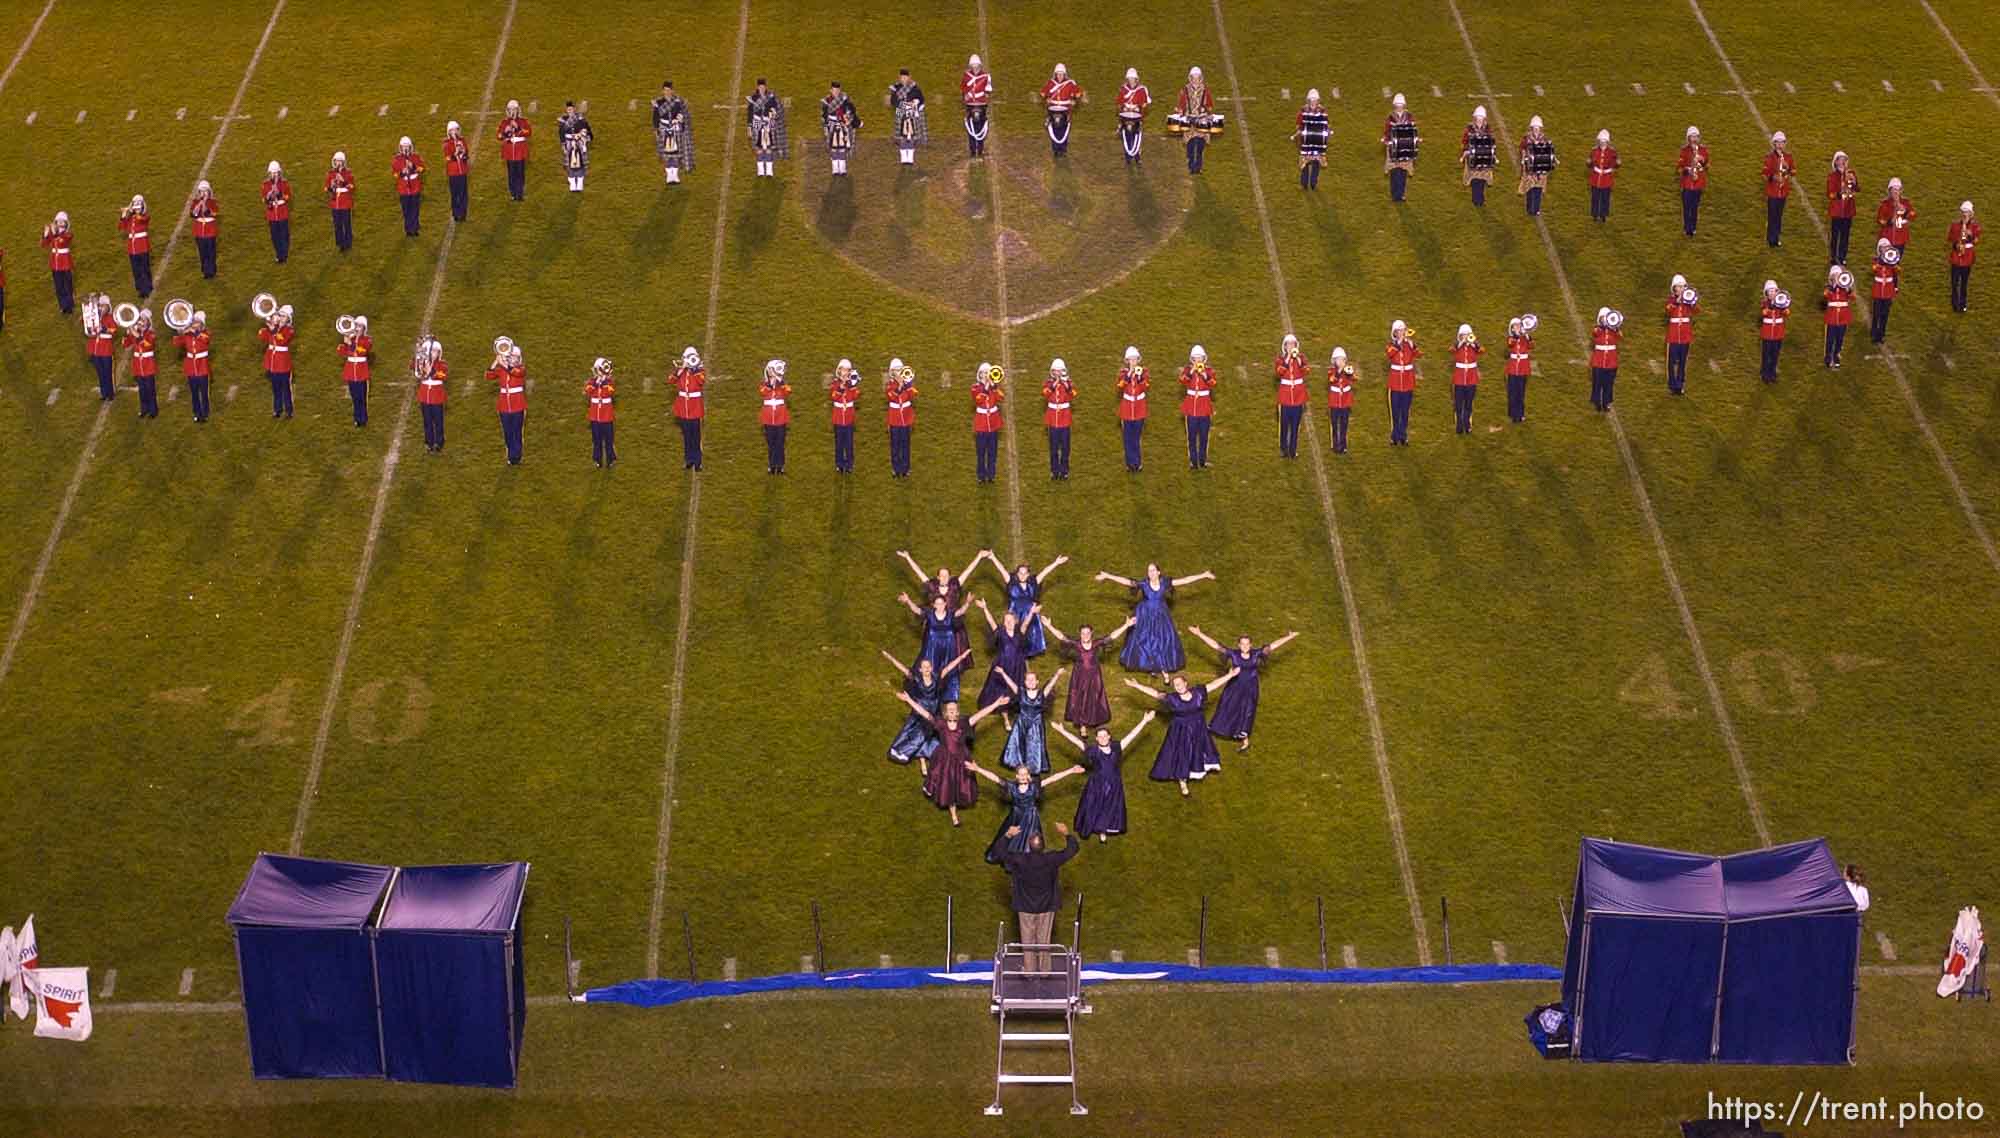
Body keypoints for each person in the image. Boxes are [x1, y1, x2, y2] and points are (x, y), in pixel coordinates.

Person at [1125, 668, 1237, 796]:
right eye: (1175, 685)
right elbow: (1155, 693)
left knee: (1199, 748)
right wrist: (1137, 685)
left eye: (1179, 684)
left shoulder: (1198, 693)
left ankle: (1199, 766)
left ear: (1186, 683)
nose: (1177, 687)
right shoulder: (1172, 698)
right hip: (1181, 730)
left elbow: (1214, 684)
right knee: (1183, 752)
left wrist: (1230, 675)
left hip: (1198, 727)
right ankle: (1182, 780)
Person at [992, 819, 1081, 975]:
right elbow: (1072, 849)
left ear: (1029, 846)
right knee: (1044, 940)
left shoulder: (1020, 860)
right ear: (1043, 846)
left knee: (1027, 940)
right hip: (1046, 906)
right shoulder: (1051, 859)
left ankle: (1030, 970)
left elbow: (999, 852)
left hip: (1025, 906)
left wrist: (1008, 835)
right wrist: (1066, 833)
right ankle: (1045, 970)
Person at [1188, 626, 1298, 751]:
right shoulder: (1233, 654)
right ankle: (1217, 729)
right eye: (1242, 644)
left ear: (1251, 645)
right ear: (1239, 645)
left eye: (1247, 644)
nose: (1245, 646)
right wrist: (1199, 633)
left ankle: (1244, 739)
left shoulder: (1256, 654)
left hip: (1250, 688)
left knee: (1247, 711)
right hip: (1234, 687)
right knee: (1227, 707)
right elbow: (1215, 645)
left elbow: (1273, 646)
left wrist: (1289, 637)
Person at [1052, 712, 1154, 841]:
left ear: (1109, 736)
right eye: (1100, 736)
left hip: (1114, 783)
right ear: (1096, 739)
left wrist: (1144, 721)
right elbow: (1076, 742)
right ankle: (1098, 827)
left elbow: (1132, 736)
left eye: (1105, 735)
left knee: (1110, 805)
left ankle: (1104, 829)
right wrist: (1062, 731)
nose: (1103, 738)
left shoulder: (1117, 747)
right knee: (1095, 804)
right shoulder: (1092, 750)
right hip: (1097, 783)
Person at [1098, 563, 1213, 671]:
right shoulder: (1144, 584)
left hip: (1161, 614)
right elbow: (1127, 582)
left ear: (1158, 572)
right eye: (1149, 571)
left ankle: (1159, 663)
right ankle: (1146, 663)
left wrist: (1203, 575)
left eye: (1153, 570)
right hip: (1145, 613)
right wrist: (1108, 576)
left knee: (1163, 638)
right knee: (1142, 638)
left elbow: (1184, 580)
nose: (1150, 573)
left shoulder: (1165, 582)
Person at [915, 694, 1008, 826]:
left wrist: (996, 704)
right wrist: (909, 700)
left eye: (954, 709)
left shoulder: (964, 723)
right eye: (949, 709)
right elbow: (925, 714)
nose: (952, 711)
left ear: (958, 712)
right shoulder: (940, 723)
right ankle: (953, 814)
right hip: (944, 759)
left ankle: (958, 800)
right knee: (947, 783)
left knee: (960, 781)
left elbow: (981, 714)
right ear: (946, 713)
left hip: (961, 758)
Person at [894, 548, 984, 672]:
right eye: (941, 575)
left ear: (949, 576)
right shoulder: (932, 587)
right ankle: (929, 672)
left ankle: (951, 674)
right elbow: (919, 573)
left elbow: (968, 571)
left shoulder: (954, 585)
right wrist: (908, 558)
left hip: (952, 622)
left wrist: (978, 556)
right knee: (930, 652)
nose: (944, 577)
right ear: (937, 577)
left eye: (946, 575)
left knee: (955, 652)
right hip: (935, 624)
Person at [883, 648, 972, 770]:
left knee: (927, 734)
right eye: (924, 667)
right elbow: (903, 669)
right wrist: (890, 658)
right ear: (920, 669)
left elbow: (948, 668)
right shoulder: (917, 679)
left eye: (928, 667)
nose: (926, 669)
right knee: (913, 731)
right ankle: (902, 750)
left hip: (933, 710)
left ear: (931, 668)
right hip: (919, 708)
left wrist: (961, 657)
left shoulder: (936, 678)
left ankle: (915, 755)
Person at [1043, 616, 1133, 728]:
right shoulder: (1076, 644)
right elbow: (1061, 637)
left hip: (1094, 675)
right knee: (1079, 696)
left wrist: (1126, 625)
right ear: (1080, 634)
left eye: (1087, 633)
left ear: (1091, 634)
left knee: (1094, 695)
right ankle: (1082, 724)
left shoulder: (1096, 644)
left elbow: (1111, 636)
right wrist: (1049, 626)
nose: (1085, 635)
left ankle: (1093, 718)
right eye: (1083, 633)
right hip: (1079, 675)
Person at [894, 587, 975, 703]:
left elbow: (961, 611)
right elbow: (917, 610)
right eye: (937, 603)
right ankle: (928, 690)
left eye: (942, 603)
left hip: (948, 647)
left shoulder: (951, 614)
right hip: (932, 646)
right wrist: (908, 601)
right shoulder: (929, 614)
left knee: (949, 669)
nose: (940, 605)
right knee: (930, 666)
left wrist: (967, 603)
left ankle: (949, 695)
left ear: (945, 604)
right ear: (934, 605)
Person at [980, 550, 1067, 656]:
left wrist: (1056, 563)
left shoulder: (1033, 582)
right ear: (1017, 574)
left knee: (1030, 634)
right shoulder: (1011, 582)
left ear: (1028, 574)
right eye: (1020, 573)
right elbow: (1001, 569)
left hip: (1030, 612)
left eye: (1025, 573)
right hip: (1015, 613)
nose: (1022, 575)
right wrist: (993, 557)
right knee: (1013, 635)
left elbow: (1045, 572)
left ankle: (1027, 652)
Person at [993, 666, 1064, 776]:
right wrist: (1003, 673)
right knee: (1018, 743)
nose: (1030, 681)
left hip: (1036, 724)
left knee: (1033, 745)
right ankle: (1017, 763)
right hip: (1021, 723)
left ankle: (1033, 767)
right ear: (1024, 682)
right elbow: (1011, 684)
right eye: (1028, 680)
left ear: (1037, 682)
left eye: (1033, 679)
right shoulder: (1020, 692)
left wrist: (1057, 675)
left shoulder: (1042, 694)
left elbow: (1050, 685)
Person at [974, 598, 1035, 712]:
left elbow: (1026, 623)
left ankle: (1015, 706)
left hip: (1017, 665)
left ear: (1015, 621)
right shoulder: (1000, 632)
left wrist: (1031, 612)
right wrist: (985, 608)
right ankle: (1001, 708)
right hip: (1003, 663)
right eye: (1006, 620)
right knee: (999, 687)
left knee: (1016, 686)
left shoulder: (1019, 632)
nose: (1008, 622)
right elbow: (991, 622)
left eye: (1010, 620)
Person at [488, 340, 526, 464]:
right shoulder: (502, 369)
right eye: (511, 356)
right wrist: (495, 361)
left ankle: (517, 456)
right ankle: (510, 456)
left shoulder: (521, 369)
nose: (512, 359)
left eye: (515, 357)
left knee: (517, 431)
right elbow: (488, 375)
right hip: (504, 406)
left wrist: (503, 364)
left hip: (518, 405)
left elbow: (515, 373)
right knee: (507, 432)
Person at [1272, 334, 1310, 458]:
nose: (1290, 346)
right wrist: (1287, 360)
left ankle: (1293, 450)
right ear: (1284, 346)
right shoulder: (1280, 359)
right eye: (1288, 344)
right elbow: (1279, 373)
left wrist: (1299, 361)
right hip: (1285, 397)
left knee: (1295, 425)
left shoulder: (1301, 357)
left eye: (1293, 344)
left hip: (1298, 396)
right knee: (1284, 425)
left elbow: (1307, 371)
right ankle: (1284, 449)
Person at [1175, 66, 1218, 175]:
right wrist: (1180, 111)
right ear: (1190, 78)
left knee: (1199, 145)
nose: (1195, 80)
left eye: (1197, 77)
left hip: (1201, 120)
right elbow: (1181, 104)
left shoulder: (1205, 91)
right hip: (1189, 119)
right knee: (1190, 144)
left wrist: (1208, 112)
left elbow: (1210, 105)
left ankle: (1197, 167)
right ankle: (1190, 164)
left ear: (1200, 78)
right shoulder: (1184, 90)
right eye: (1193, 77)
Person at [1180, 345, 1216, 469]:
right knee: (1191, 436)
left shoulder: (1209, 370)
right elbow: (1183, 380)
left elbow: (1213, 383)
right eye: (1195, 358)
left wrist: (1204, 375)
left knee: (1204, 436)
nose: (1197, 360)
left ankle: (1202, 460)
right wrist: (1192, 371)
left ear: (1203, 358)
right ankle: (1193, 461)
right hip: (1191, 407)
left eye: (1199, 358)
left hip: (1204, 407)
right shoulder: (1187, 370)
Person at [652, 81, 695, 184]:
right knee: (667, 154)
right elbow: (655, 117)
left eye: (669, 90)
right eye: (665, 90)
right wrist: (656, 129)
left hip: (675, 129)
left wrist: (683, 125)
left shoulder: (678, 102)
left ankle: (675, 175)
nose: (667, 92)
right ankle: (668, 176)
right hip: (664, 130)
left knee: (675, 154)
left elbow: (683, 114)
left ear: (672, 90)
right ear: (663, 91)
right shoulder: (659, 103)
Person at [173, 309, 212, 422]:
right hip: (191, 367)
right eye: (193, 322)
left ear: (202, 324)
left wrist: (194, 332)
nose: (194, 324)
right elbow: (176, 343)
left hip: (202, 366)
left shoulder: (206, 333)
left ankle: (205, 413)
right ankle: (196, 413)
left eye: (197, 322)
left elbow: (205, 340)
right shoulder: (187, 335)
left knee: (204, 392)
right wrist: (181, 332)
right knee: (194, 392)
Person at [1384, 320, 1419, 445]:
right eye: (1399, 331)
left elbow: (1418, 354)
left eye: (1403, 330)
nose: (1402, 332)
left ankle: (1403, 436)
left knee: (1405, 411)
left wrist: (1411, 345)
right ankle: (1394, 436)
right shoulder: (1391, 345)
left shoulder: (1409, 344)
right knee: (1395, 411)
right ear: (1394, 333)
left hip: (1408, 382)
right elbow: (1390, 354)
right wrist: (1399, 344)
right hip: (1394, 383)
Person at [259, 304, 296, 418]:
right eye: (280, 315)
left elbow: (282, 340)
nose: (281, 318)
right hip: (273, 363)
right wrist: (270, 324)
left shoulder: (289, 330)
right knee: (276, 389)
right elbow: (262, 336)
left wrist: (273, 329)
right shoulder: (274, 328)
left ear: (289, 319)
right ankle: (277, 410)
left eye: (284, 317)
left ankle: (289, 411)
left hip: (283, 364)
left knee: (286, 389)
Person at [747, 78, 789, 178]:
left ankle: (769, 171)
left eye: (763, 87)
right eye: (760, 87)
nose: (761, 88)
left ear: (765, 87)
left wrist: (773, 112)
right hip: (757, 123)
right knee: (759, 148)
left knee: (769, 147)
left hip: (767, 123)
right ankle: (760, 171)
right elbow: (750, 114)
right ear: (757, 87)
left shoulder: (771, 97)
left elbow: (775, 107)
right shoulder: (753, 98)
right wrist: (749, 128)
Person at [1381, 93, 1420, 201]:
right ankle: (1395, 194)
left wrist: (1415, 140)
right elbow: (1387, 131)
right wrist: (1386, 140)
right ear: (1394, 105)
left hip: (1406, 148)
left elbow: (1413, 129)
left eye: (1401, 105)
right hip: (1393, 148)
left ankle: (1401, 194)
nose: (1399, 107)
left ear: (1404, 105)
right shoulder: (1390, 117)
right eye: (1397, 105)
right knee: (1394, 172)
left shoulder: (1409, 116)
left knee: (1403, 172)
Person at [1038, 63, 1082, 159]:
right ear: (1055, 74)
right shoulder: (1050, 83)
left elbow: (1078, 94)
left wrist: (1074, 100)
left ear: (1065, 74)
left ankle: (1063, 149)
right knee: (1054, 129)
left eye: (1061, 74)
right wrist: (1046, 99)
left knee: (1063, 129)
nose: (1060, 76)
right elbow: (1042, 93)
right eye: (1058, 74)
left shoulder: (1070, 83)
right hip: (1053, 110)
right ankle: (1055, 149)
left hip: (1065, 110)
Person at [672, 346, 705, 471]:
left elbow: (701, 381)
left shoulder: (699, 370)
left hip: (695, 408)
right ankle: (688, 460)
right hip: (683, 409)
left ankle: (698, 461)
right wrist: (681, 369)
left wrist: (693, 368)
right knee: (686, 436)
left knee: (696, 436)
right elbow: (671, 380)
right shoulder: (681, 370)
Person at [1664, 275, 1699, 396]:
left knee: (1683, 362)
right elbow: (1668, 310)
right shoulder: (1671, 300)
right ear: (1674, 288)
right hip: (1673, 336)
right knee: (1671, 362)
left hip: (1685, 336)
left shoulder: (1688, 301)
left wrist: (1692, 302)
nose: (1680, 289)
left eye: (1682, 286)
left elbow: (1697, 311)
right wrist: (1676, 301)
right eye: (1678, 287)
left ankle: (1680, 385)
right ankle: (1672, 385)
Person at [1116, 346, 1148, 471]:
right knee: (1127, 438)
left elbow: (1146, 386)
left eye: (1135, 359)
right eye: (1131, 360)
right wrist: (1129, 374)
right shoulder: (1123, 373)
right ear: (1127, 361)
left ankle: (1137, 463)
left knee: (1136, 437)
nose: (1133, 362)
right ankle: (1130, 464)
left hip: (1139, 408)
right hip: (1127, 409)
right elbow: (1120, 386)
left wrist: (1139, 377)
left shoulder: (1143, 372)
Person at [971, 361, 1004, 484]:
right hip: (981, 424)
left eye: (987, 373)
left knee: (992, 452)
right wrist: (986, 388)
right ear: (979, 375)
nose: (985, 375)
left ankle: (991, 474)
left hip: (993, 423)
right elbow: (978, 400)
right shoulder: (975, 387)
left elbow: (1001, 397)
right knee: (981, 452)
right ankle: (981, 475)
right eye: (983, 373)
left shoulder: (994, 388)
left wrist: (994, 386)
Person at [123, 308, 159, 418]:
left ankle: (153, 410)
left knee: (150, 389)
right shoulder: (135, 332)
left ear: (148, 322)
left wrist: (137, 335)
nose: (141, 322)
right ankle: (144, 409)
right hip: (138, 365)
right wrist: (127, 334)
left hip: (148, 365)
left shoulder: (151, 334)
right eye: (140, 320)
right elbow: (126, 345)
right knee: (142, 390)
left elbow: (148, 345)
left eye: (144, 320)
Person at [884, 358, 918, 478]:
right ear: (892, 372)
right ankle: (895, 467)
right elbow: (892, 397)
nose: (898, 372)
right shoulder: (889, 385)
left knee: (905, 445)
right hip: (894, 419)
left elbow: (912, 394)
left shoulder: (909, 385)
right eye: (896, 370)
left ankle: (905, 468)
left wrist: (906, 385)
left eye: (900, 370)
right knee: (895, 445)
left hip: (906, 419)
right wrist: (900, 387)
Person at [1517, 115, 1556, 217]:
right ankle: (1530, 208)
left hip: (1541, 168)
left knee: (1538, 189)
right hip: (1530, 169)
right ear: (1531, 128)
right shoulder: (1526, 139)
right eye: (1534, 128)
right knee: (1530, 188)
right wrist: (1524, 157)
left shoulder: (1545, 139)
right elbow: (1521, 149)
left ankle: (1537, 209)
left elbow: (1549, 150)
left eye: (1538, 128)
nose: (1536, 130)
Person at [1042, 359, 1074, 479]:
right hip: (1053, 419)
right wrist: (1055, 384)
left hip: (1064, 418)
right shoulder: (1049, 383)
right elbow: (1045, 393)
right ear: (1052, 372)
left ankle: (1064, 470)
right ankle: (1054, 470)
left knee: (1065, 447)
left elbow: (1072, 394)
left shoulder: (1068, 382)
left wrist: (1065, 384)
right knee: (1054, 447)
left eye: (1060, 371)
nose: (1058, 373)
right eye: (1056, 371)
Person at [819, 82, 861, 177]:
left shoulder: (845, 99)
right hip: (832, 125)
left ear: (840, 90)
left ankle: (842, 169)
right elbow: (824, 115)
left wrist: (848, 118)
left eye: (838, 90)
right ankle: (835, 169)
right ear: (831, 90)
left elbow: (852, 110)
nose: (836, 92)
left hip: (843, 125)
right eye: (834, 90)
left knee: (842, 147)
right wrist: (826, 125)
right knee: (833, 147)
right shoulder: (827, 101)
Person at [1761, 131, 1795, 247]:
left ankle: (1776, 237)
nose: (1780, 145)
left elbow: (1794, 172)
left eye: (1782, 142)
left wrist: (1788, 168)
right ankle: (1771, 239)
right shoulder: (1770, 157)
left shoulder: (1788, 157)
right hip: (1772, 192)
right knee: (1772, 216)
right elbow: (1765, 174)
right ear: (1774, 144)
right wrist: (1774, 177)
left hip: (1783, 191)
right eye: (1778, 142)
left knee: (1779, 216)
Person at [338, 315, 372, 427]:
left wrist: (350, 345)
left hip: (362, 373)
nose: (357, 328)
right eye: (356, 325)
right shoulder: (350, 339)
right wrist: (346, 342)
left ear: (364, 328)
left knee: (362, 397)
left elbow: (362, 351)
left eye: (360, 326)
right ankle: (357, 419)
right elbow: (341, 351)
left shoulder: (367, 340)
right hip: (351, 373)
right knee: (354, 397)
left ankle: (363, 419)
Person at [415, 336, 448, 452]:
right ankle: (429, 441)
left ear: (439, 352)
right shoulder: (423, 362)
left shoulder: (442, 364)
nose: (432, 353)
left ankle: (439, 442)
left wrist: (431, 370)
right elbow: (413, 367)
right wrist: (418, 357)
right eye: (431, 350)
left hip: (437, 396)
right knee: (427, 420)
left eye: (435, 351)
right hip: (425, 395)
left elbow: (443, 376)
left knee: (438, 421)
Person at [757, 358, 790, 473]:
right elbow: (762, 391)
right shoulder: (764, 384)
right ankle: (772, 465)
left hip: (781, 418)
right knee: (771, 443)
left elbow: (788, 391)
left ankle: (780, 465)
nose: (772, 373)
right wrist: (771, 384)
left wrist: (780, 383)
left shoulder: (782, 384)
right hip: (768, 419)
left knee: (780, 443)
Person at [1826, 151, 1859, 265]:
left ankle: (1842, 256)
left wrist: (1854, 181)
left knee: (1845, 235)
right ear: (1836, 162)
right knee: (1835, 235)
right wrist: (1841, 192)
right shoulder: (1833, 176)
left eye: (1844, 159)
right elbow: (1830, 193)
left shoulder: (1851, 173)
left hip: (1848, 210)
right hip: (1836, 210)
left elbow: (1857, 189)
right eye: (1840, 159)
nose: (1843, 161)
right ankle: (1833, 256)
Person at [888, 69, 926, 167]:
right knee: (902, 135)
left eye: (905, 77)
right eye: (902, 77)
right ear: (900, 78)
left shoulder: (914, 88)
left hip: (912, 112)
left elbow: (921, 99)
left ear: (909, 77)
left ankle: (911, 158)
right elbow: (893, 102)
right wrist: (905, 105)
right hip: (901, 112)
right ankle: (904, 157)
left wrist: (916, 102)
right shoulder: (896, 88)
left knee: (911, 135)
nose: (904, 79)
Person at [1460, 105, 1496, 207]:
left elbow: (1492, 142)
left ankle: (1481, 198)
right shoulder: (1469, 129)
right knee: (1475, 179)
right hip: (1473, 158)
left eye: (1481, 119)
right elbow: (1464, 142)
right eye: (1478, 119)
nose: (1479, 121)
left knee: (1482, 179)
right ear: (1475, 119)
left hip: (1484, 158)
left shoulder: (1488, 129)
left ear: (1484, 119)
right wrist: (1466, 151)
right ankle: (1476, 199)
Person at [82, 292, 116, 399]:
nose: (102, 308)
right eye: (100, 305)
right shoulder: (94, 317)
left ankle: (110, 393)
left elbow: (114, 331)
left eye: (104, 306)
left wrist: (104, 329)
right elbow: (86, 327)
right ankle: (103, 392)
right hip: (95, 350)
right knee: (100, 373)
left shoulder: (110, 318)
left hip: (106, 349)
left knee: (107, 372)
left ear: (108, 307)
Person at [1293, 89, 1329, 190]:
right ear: (1308, 100)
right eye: (1311, 100)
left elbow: (1325, 124)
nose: (1313, 102)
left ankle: (1313, 183)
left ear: (1318, 101)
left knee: (1316, 162)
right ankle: (1304, 183)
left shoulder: (1322, 110)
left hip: (1317, 141)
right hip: (1306, 140)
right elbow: (1298, 124)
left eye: (1315, 100)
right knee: (1305, 161)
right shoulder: (1303, 110)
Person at [118, 195, 153, 298]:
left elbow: (142, 220)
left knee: (144, 268)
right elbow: (121, 227)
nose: (137, 208)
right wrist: (124, 215)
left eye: (139, 206)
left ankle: (146, 288)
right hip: (132, 249)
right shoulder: (130, 218)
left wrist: (133, 210)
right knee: (136, 270)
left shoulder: (145, 216)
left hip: (142, 247)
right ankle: (140, 287)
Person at [830, 357, 860, 473]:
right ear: (839, 371)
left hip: (849, 418)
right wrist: (841, 387)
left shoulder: (852, 383)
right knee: (839, 443)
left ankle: (849, 464)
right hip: (838, 418)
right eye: (843, 370)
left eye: (848, 370)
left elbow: (855, 395)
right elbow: (833, 396)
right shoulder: (834, 383)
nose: (845, 373)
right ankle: (839, 464)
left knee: (849, 443)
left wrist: (851, 385)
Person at [1449, 324, 1481, 433]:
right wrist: (1461, 343)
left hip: (1471, 378)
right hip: (1459, 378)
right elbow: (1451, 351)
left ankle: (1467, 424)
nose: (1466, 336)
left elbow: (1482, 350)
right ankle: (1459, 425)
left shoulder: (1474, 345)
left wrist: (1473, 344)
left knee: (1468, 403)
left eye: (1468, 334)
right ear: (1460, 335)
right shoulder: (1457, 345)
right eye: (1464, 334)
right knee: (1458, 404)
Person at [1949, 200, 1980, 313]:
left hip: (1967, 258)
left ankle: (1962, 304)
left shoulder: (1975, 226)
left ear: (1971, 214)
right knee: (1954, 282)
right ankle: (1955, 304)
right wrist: (1956, 245)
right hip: (1956, 258)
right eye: (1963, 212)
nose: (1964, 214)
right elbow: (1950, 239)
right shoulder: (1955, 225)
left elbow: (1976, 241)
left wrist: (1970, 234)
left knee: (1964, 283)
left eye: (1967, 212)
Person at [586, 356, 617, 468]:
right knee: (596, 440)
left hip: (607, 416)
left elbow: (611, 392)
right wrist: (596, 383)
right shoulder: (592, 381)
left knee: (609, 440)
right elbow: (588, 391)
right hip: (595, 416)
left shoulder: (609, 382)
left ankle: (611, 459)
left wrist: (603, 382)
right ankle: (597, 459)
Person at [1677, 126, 1708, 237]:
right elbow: (1679, 168)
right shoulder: (1684, 151)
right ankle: (1687, 227)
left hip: (1698, 184)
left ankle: (1693, 228)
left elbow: (1707, 166)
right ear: (1688, 138)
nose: (1694, 139)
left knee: (1694, 207)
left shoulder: (1703, 150)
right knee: (1686, 207)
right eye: (1692, 136)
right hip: (1686, 184)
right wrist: (1688, 170)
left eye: (1696, 136)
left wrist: (1702, 161)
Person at [1822, 265, 1855, 369]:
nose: (1836, 277)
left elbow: (1853, 297)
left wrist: (1848, 289)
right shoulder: (1829, 288)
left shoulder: (1845, 288)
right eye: (1834, 275)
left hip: (1843, 318)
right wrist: (1833, 287)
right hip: (1831, 318)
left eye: (1838, 275)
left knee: (1840, 339)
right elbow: (1825, 295)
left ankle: (1836, 356)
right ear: (1831, 277)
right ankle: (1827, 358)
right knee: (1830, 340)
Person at [41, 211, 75, 313]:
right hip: (55, 264)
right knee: (58, 286)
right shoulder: (53, 233)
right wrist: (46, 235)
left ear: (66, 223)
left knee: (67, 285)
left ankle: (69, 305)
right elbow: (44, 244)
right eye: (58, 221)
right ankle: (63, 306)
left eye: (62, 221)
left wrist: (54, 233)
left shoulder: (68, 234)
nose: (60, 223)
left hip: (65, 263)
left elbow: (63, 240)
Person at [1116, 68, 1151, 166]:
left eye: (1133, 78)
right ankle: (1128, 157)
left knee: (1136, 136)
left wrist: (1139, 108)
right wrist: (1123, 108)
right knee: (1127, 136)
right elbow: (1119, 103)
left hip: (1137, 117)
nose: (1131, 81)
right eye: (1129, 78)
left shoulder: (1141, 90)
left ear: (1136, 79)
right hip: (1125, 117)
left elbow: (1144, 104)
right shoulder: (1123, 89)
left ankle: (1137, 157)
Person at [1589, 307, 1622, 411]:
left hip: (1611, 361)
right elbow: (1595, 334)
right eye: (1602, 317)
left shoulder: (1614, 330)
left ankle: (1606, 403)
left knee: (1609, 383)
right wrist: (1602, 326)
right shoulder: (1597, 329)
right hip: (1598, 361)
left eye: (1606, 317)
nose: (1604, 319)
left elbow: (1620, 337)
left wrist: (1615, 328)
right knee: (1597, 382)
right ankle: (1597, 403)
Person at [1869, 237, 1900, 344]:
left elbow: (1897, 273)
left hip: (1888, 292)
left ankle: (1881, 334)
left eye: (1886, 248)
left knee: (1884, 314)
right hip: (1878, 292)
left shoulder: (1892, 261)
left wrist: (1895, 287)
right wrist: (1882, 262)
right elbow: (1874, 269)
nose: (1885, 250)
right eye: (1882, 248)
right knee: (1876, 313)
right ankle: (1873, 333)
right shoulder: (1876, 260)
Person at [498, 99, 531, 200]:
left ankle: (519, 193)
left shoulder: (523, 121)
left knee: (520, 173)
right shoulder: (504, 122)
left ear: (518, 110)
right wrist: (505, 132)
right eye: (510, 109)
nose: (512, 111)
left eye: (514, 109)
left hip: (520, 151)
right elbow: (498, 136)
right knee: (511, 173)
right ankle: (513, 193)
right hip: (509, 152)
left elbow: (529, 132)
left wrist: (518, 128)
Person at [557, 100, 593, 192]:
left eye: (571, 109)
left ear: (574, 109)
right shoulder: (563, 120)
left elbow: (586, 128)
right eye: (568, 109)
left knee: (581, 162)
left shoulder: (580, 118)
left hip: (579, 143)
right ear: (566, 110)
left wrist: (582, 135)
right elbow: (561, 133)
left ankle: (580, 182)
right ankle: (572, 183)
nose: (570, 110)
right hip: (569, 143)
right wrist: (563, 144)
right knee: (570, 163)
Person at [392, 138, 425, 236]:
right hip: (403, 189)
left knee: (415, 209)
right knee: (406, 210)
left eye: (407, 146)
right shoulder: (397, 159)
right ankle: (408, 229)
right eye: (404, 146)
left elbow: (422, 168)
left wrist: (413, 166)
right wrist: (402, 172)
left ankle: (414, 228)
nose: (405, 148)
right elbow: (394, 174)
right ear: (400, 147)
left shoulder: (415, 157)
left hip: (415, 187)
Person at [1876, 177, 1915, 260]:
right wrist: (1890, 221)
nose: (1896, 192)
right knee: (1885, 260)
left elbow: (1913, 215)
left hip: (1901, 237)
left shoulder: (1905, 202)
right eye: (1894, 189)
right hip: (1887, 237)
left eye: (1898, 189)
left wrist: (1905, 212)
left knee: (1897, 259)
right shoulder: (1885, 204)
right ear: (1890, 191)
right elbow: (1880, 220)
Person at [324, 151, 356, 252]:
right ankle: (341, 243)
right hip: (335, 204)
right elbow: (326, 188)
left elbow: (352, 187)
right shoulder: (330, 174)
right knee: (337, 224)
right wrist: (331, 186)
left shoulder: (348, 173)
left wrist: (343, 181)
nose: (338, 163)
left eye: (340, 161)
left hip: (345, 203)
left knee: (346, 223)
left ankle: (348, 242)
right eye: (336, 161)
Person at [961, 54, 992, 158]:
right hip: (970, 105)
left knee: (980, 127)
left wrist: (983, 96)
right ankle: (972, 150)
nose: (975, 68)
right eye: (973, 66)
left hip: (981, 104)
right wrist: (966, 96)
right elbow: (963, 88)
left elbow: (988, 90)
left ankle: (980, 149)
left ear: (979, 66)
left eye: (976, 66)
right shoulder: (966, 76)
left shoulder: (985, 77)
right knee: (971, 127)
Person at [1503, 318, 1533, 423]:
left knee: (1521, 392)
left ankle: (1520, 414)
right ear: (1511, 328)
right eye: (1515, 326)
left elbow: (1531, 346)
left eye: (1519, 325)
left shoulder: (1525, 338)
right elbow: (1510, 344)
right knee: (1512, 393)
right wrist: (1517, 335)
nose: (1517, 327)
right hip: (1512, 369)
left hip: (1523, 369)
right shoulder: (1510, 337)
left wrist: (1527, 336)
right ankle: (1512, 413)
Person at [261, 161, 292, 262]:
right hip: (272, 214)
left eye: (276, 172)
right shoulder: (265, 184)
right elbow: (263, 199)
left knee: (284, 234)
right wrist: (269, 196)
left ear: (279, 172)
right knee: (275, 236)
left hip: (282, 212)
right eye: (272, 173)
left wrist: (279, 195)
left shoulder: (284, 183)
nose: (274, 175)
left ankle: (285, 253)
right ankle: (279, 255)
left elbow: (288, 196)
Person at [1326, 346, 1356, 452]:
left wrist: (1349, 373)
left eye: (1342, 359)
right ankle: (1335, 444)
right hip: (1334, 401)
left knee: (1344, 424)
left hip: (1345, 401)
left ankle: (1343, 445)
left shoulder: (1348, 371)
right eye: (1338, 359)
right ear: (1334, 361)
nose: (1340, 361)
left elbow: (1354, 379)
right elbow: (1332, 380)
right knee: (1334, 424)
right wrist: (1339, 371)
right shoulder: (1331, 371)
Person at [1758, 281, 1788, 383]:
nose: (1772, 293)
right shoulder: (1764, 303)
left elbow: (1787, 313)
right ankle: (1764, 374)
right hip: (1767, 334)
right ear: (1766, 293)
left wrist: (1784, 307)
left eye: (1774, 291)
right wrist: (1769, 307)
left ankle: (1772, 373)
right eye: (1770, 291)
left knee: (1775, 354)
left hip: (1778, 333)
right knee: (1766, 355)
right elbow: (1763, 313)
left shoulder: (1780, 302)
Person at [188, 180, 220, 278]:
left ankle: (212, 271)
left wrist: (205, 204)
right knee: (202, 253)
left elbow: (213, 213)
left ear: (209, 192)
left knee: (211, 252)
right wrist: (199, 204)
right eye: (201, 191)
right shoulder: (195, 202)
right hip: (199, 232)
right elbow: (193, 214)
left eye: (205, 191)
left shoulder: (213, 202)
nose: (203, 193)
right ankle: (205, 271)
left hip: (210, 231)